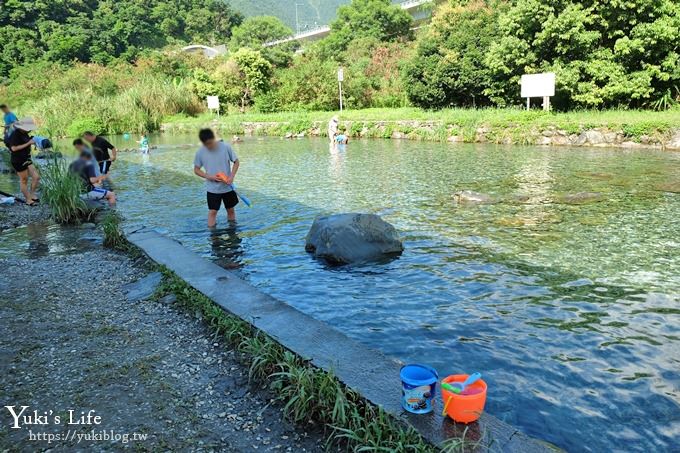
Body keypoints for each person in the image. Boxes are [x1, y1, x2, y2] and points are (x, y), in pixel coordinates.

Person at [193, 128, 240, 227]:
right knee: (212, 212)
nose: (209, 146)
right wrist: (209, 176)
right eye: (206, 144)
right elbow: (196, 170)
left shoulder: (226, 147)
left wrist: (231, 176)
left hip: (228, 187)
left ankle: (233, 232)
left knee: (231, 210)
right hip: (212, 189)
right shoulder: (200, 152)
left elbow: (236, 162)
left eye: (210, 143)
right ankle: (213, 236)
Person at [7, 118, 40, 205]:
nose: (29, 129)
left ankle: (32, 195)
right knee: (24, 180)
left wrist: (36, 141)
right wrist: (29, 143)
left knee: (36, 177)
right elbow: (14, 148)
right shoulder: (15, 134)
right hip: (18, 160)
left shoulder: (25, 133)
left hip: (26, 158)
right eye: (28, 128)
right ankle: (28, 200)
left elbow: (27, 141)